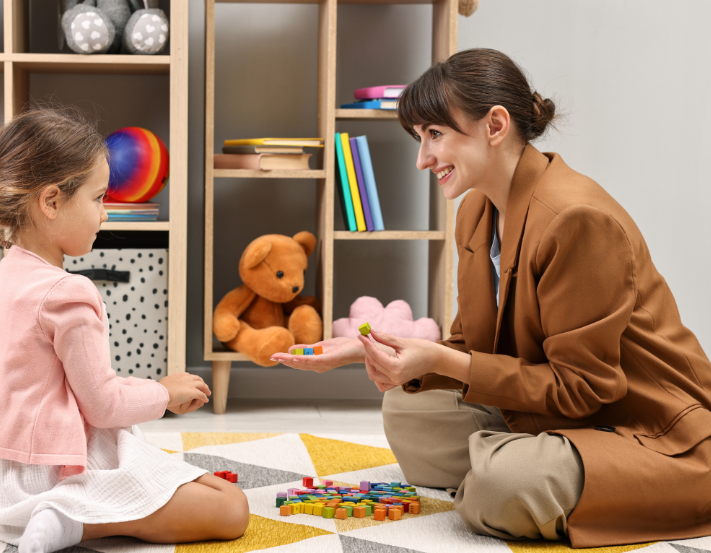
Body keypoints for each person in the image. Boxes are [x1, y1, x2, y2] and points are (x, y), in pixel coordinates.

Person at [272, 48, 711, 548]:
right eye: (420, 138)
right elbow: (472, 344)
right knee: (407, 408)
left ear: (495, 125)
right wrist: (376, 348)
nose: (422, 159)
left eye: (435, 135)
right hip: (563, 415)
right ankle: (525, 463)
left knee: (498, 490)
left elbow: (584, 391)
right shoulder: (477, 210)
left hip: (650, 430)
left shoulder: (577, 219)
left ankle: (526, 471)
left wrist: (441, 361)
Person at [0, 107, 249, 553]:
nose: (107, 215)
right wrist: (163, 395)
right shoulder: (67, 293)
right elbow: (102, 406)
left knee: (198, 483)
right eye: (99, 199)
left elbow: (68, 388)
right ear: (52, 201)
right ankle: (73, 518)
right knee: (231, 507)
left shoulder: (10, 273)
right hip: (53, 470)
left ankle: (67, 513)